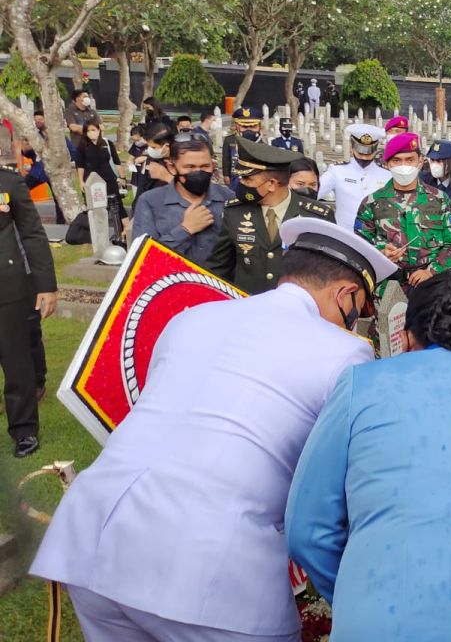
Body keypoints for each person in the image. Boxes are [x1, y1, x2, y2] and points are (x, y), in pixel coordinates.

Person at [31, 218, 395, 642]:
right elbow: (339, 473)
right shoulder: (346, 351)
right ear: (347, 294)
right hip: (206, 568)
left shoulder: (195, 316)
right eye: (359, 311)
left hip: (91, 538)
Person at [286, 267, 451, 642]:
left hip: (385, 617)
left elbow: (306, 530)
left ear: (404, 336)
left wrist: (357, 594)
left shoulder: (360, 385)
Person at [207, 136, 335, 295]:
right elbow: (218, 269)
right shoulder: (235, 212)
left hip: (295, 313)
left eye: (248, 178)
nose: (242, 183)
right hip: (248, 309)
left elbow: (328, 276)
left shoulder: (317, 216)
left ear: (272, 184)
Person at [355, 133, 451, 297]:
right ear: (387, 164)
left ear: (420, 161)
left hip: (434, 288)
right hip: (388, 290)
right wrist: (382, 252)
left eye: (409, 159)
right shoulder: (371, 203)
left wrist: (431, 271)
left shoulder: (440, 199)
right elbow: (360, 246)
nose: (403, 165)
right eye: (396, 160)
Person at [0, 164, 56, 458]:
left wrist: (45, 285)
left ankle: (23, 431)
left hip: (7, 286)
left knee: (17, 363)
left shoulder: (8, 182)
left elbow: (32, 233)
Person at [130, 134, 233, 264]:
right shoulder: (150, 201)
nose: (198, 172)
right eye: (190, 167)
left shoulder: (229, 198)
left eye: (205, 166)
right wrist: (185, 230)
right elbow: (143, 258)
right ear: (172, 167)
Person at [317, 123, 390, 230]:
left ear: (375, 150)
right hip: (344, 236)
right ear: (352, 148)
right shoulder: (337, 171)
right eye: (360, 152)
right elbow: (314, 193)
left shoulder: (387, 175)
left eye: (368, 153)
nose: (364, 157)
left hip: (375, 239)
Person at [73, 119, 126, 231]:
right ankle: (98, 232)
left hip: (109, 179)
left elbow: (116, 162)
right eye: (88, 131)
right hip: (92, 180)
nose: (91, 133)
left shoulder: (107, 143)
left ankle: (125, 230)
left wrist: (122, 177)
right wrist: (81, 181)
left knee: (118, 205)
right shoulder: (82, 146)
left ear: (98, 130)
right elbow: (80, 165)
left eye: (94, 130)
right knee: (95, 207)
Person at [221, 106, 265, 189]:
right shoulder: (229, 140)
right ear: (237, 126)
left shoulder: (262, 142)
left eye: (252, 126)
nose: (248, 130)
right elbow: (226, 159)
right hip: (236, 177)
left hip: (256, 178)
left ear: (259, 127)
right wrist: (226, 175)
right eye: (244, 127)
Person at [129, 122, 172, 204]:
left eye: (153, 147)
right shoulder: (150, 160)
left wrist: (167, 177)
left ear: (167, 145)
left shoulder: (180, 162)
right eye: (149, 146)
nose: (150, 150)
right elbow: (142, 188)